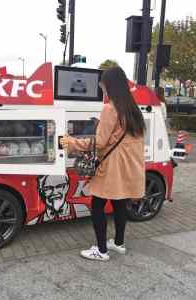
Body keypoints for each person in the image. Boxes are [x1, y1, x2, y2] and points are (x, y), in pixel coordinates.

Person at [60, 67, 145, 261]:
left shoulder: (110, 108)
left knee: (97, 205)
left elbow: (100, 142)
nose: (101, 86)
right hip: (127, 167)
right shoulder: (133, 109)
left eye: (103, 82)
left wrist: (71, 142)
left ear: (109, 85)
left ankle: (101, 250)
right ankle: (119, 243)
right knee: (119, 204)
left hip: (111, 168)